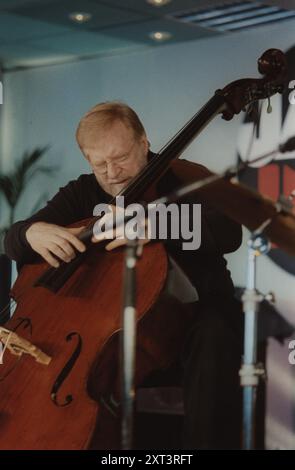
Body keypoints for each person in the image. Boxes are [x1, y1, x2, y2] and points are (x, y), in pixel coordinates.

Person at [4, 101, 244, 449]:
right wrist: (31, 232)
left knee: (214, 333)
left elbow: (229, 232)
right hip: (115, 329)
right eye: (99, 164)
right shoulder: (84, 192)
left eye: (120, 158)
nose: (112, 172)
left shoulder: (185, 178)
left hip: (191, 319)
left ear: (143, 143)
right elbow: (15, 242)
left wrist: (158, 224)